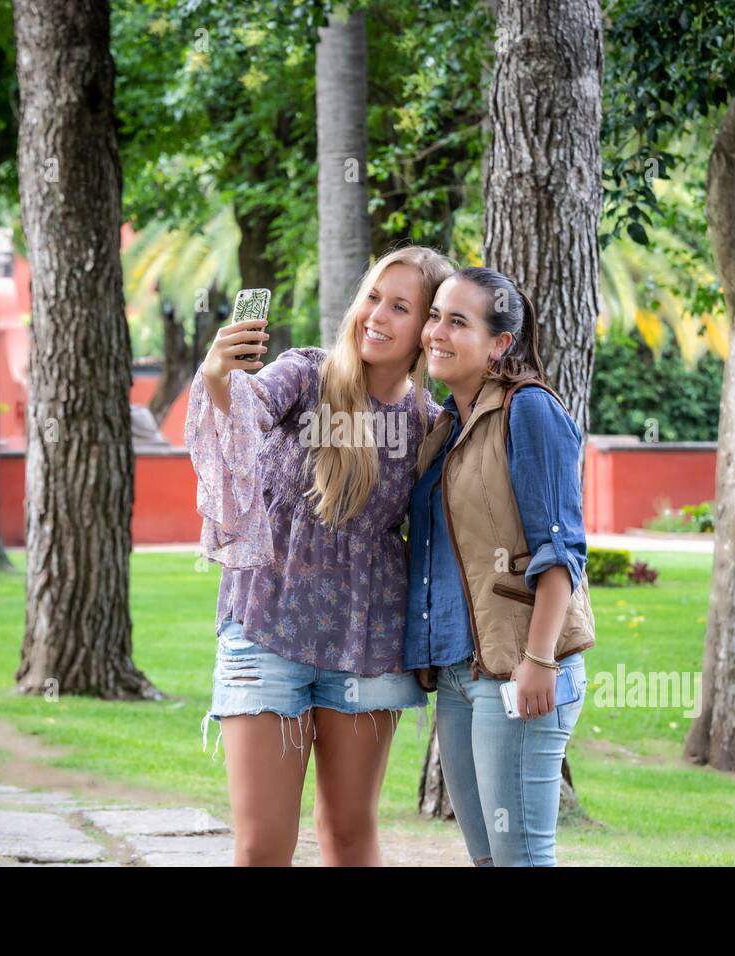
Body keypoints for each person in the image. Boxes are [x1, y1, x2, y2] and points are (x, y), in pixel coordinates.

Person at [185, 245, 457, 866]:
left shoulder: (431, 424)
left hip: (368, 645)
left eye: (400, 307)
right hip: (267, 633)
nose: (376, 316)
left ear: (427, 328)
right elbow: (245, 411)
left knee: (350, 834)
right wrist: (220, 377)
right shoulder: (305, 375)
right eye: (372, 298)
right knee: (261, 846)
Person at [404, 266, 595, 866]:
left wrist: (538, 661)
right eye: (434, 316)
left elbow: (560, 548)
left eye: (457, 321)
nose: (436, 331)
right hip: (461, 673)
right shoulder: (447, 424)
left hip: (520, 670)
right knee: (487, 858)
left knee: (522, 858)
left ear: (500, 344)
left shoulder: (529, 410)